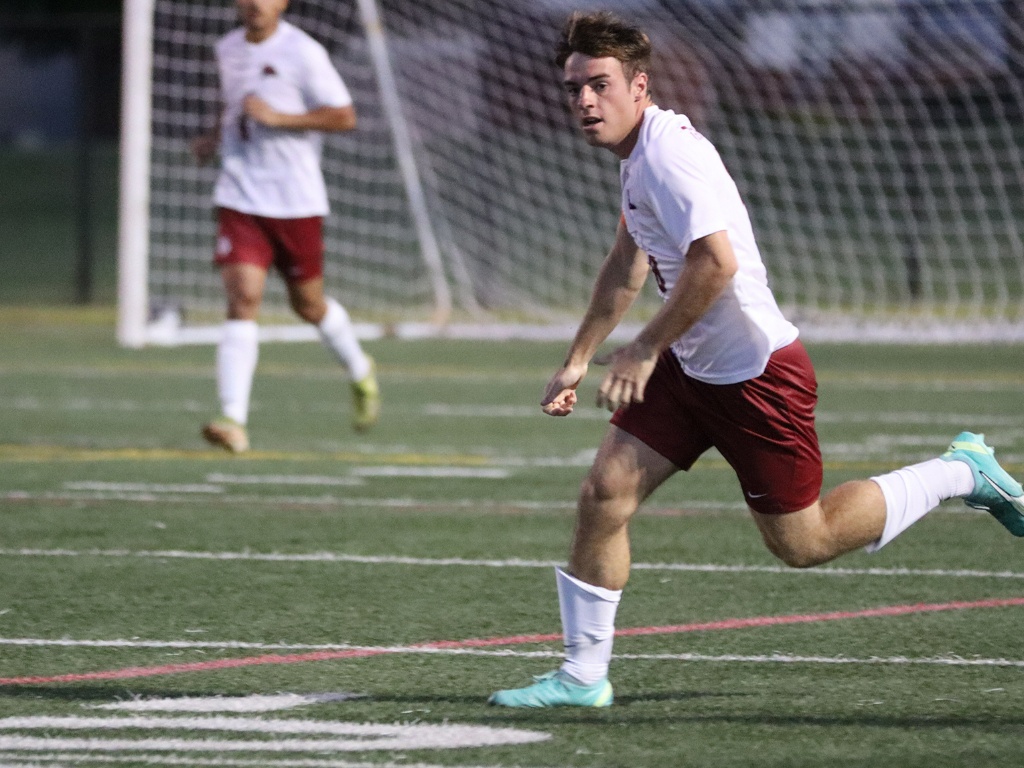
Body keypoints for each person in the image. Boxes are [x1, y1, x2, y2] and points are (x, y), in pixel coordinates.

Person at [488, 10, 1024, 708]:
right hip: (690, 366)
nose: (584, 101)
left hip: (755, 376)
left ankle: (962, 471)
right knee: (603, 496)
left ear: (639, 86)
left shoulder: (670, 155)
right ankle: (583, 677)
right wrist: (579, 357)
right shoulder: (637, 160)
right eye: (573, 89)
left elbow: (716, 264)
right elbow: (626, 263)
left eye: (598, 85)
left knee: (805, 542)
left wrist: (645, 347)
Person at [192, 0, 379, 454]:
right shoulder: (227, 49)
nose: (257, 3)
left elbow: (343, 115)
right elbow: (234, 103)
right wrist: (215, 137)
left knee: (308, 306)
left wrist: (279, 118)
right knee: (243, 299)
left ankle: (360, 370)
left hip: (295, 200)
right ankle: (232, 418)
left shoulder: (303, 51)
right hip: (239, 195)